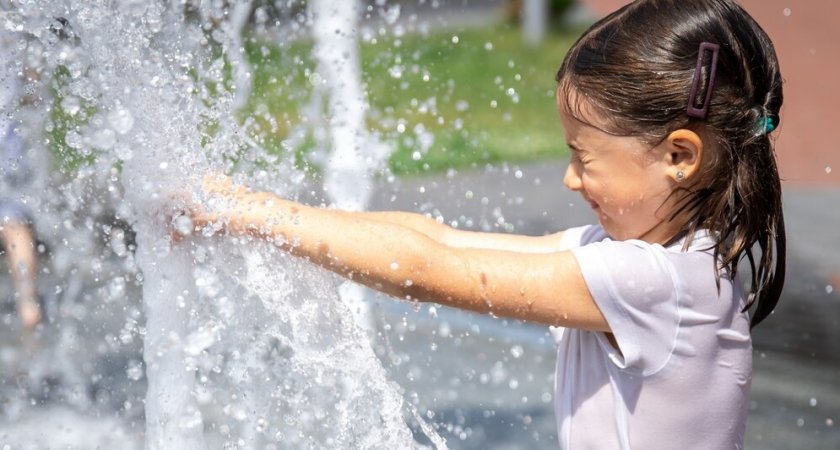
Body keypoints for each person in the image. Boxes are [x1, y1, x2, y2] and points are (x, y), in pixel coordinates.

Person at [183, 0, 785, 448]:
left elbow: (423, 270)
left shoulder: (657, 284)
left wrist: (248, 214)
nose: (571, 180)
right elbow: (440, 239)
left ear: (679, 156)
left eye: (584, 157)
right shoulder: (644, 259)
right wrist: (240, 202)